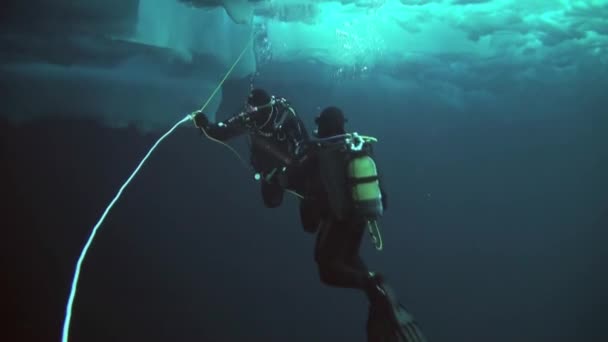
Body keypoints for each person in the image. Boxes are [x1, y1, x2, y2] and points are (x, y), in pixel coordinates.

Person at [297, 106, 427, 342]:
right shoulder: (356, 146)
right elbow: (382, 195)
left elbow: (306, 190)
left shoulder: (321, 152)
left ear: (323, 124)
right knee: (348, 257)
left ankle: (373, 285)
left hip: (338, 220)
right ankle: (376, 287)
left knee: (327, 268)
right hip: (360, 218)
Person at [192, 88, 309, 208]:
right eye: (247, 106)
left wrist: (288, 171)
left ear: (264, 110)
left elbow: (303, 148)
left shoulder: (286, 119)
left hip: (288, 166)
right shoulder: (248, 119)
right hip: (268, 170)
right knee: (271, 202)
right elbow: (224, 131)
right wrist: (206, 125)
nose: (247, 112)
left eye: (251, 109)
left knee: (305, 194)